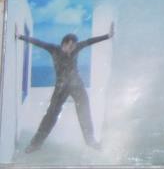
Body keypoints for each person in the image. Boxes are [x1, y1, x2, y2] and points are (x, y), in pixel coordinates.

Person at [16, 23, 114, 153]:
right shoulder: (53, 49)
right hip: (61, 87)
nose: (72, 49)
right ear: (64, 44)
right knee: (50, 116)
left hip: (77, 85)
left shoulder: (77, 47)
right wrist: (20, 36)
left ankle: (90, 141)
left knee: (84, 111)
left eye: (74, 47)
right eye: (70, 46)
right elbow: (38, 42)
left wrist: (108, 36)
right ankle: (35, 144)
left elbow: (90, 41)